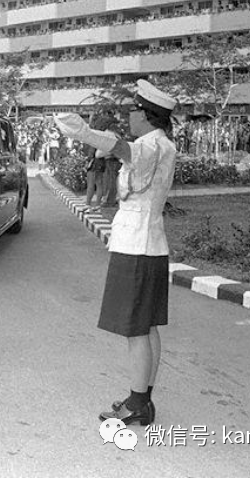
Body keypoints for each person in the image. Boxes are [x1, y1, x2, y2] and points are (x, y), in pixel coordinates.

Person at [55, 79, 178, 426]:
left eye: (133, 110)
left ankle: (137, 404)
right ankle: (144, 399)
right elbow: (124, 151)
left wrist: (84, 132)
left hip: (136, 249)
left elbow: (120, 148)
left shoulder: (151, 147)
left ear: (146, 115)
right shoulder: (161, 145)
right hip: (150, 246)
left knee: (135, 330)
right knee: (148, 327)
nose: (130, 115)